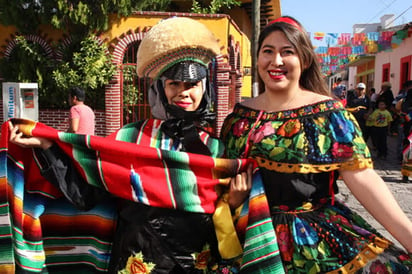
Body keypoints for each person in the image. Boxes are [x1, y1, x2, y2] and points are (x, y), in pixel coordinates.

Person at [7, 17, 251, 273]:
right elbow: (86, 193)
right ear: (159, 88)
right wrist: (47, 145)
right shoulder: (129, 138)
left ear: (205, 89)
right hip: (135, 263)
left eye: (192, 85)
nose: (183, 92)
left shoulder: (216, 151)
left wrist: (232, 202)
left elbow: (223, 223)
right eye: (174, 84)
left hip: (194, 267)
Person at [221, 16, 412, 273]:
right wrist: (231, 202)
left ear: (305, 60)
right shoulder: (238, 118)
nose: (276, 61)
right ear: (257, 59)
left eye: (287, 52)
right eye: (268, 51)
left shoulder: (329, 114)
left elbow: (364, 179)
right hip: (247, 237)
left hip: (312, 243)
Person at [395, 82, 412, 183]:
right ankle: (406, 175)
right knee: (408, 153)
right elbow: (404, 115)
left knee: (408, 153)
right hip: (408, 131)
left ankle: (406, 175)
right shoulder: (405, 101)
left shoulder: (404, 101)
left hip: (407, 131)